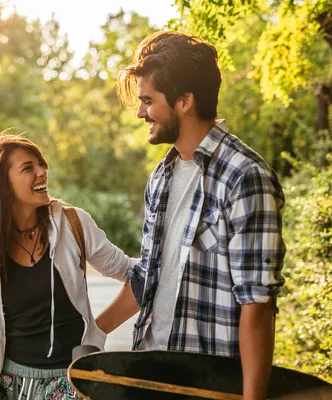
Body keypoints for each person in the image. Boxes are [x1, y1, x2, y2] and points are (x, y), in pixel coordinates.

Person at [96, 31, 286, 400]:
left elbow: (257, 307)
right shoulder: (162, 176)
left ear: (184, 101)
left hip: (209, 384)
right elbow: (149, 277)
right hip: (150, 373)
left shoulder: (245, 178)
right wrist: (90, 332)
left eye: (148, 101)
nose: (140, 113)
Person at [0, 134, 139, 400]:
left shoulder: (72, 223)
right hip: (11, 386)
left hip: (73, 384)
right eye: (28, 168)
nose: (43, 172)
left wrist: (97, 329)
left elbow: (139, 278)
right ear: (2, 183)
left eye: (41, 164)